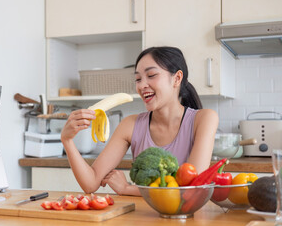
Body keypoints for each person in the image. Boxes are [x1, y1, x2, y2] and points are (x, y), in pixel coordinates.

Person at [61, 46, 218, 196]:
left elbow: (192, 188)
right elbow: (91, 183)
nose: (142, 85)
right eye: (138, 79)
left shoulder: (204, 119)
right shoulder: (130, 125)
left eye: (151, 76)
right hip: (142, 218)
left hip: (187, 219)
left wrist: (127, 189)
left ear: (176, 78)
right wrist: (67, 140)